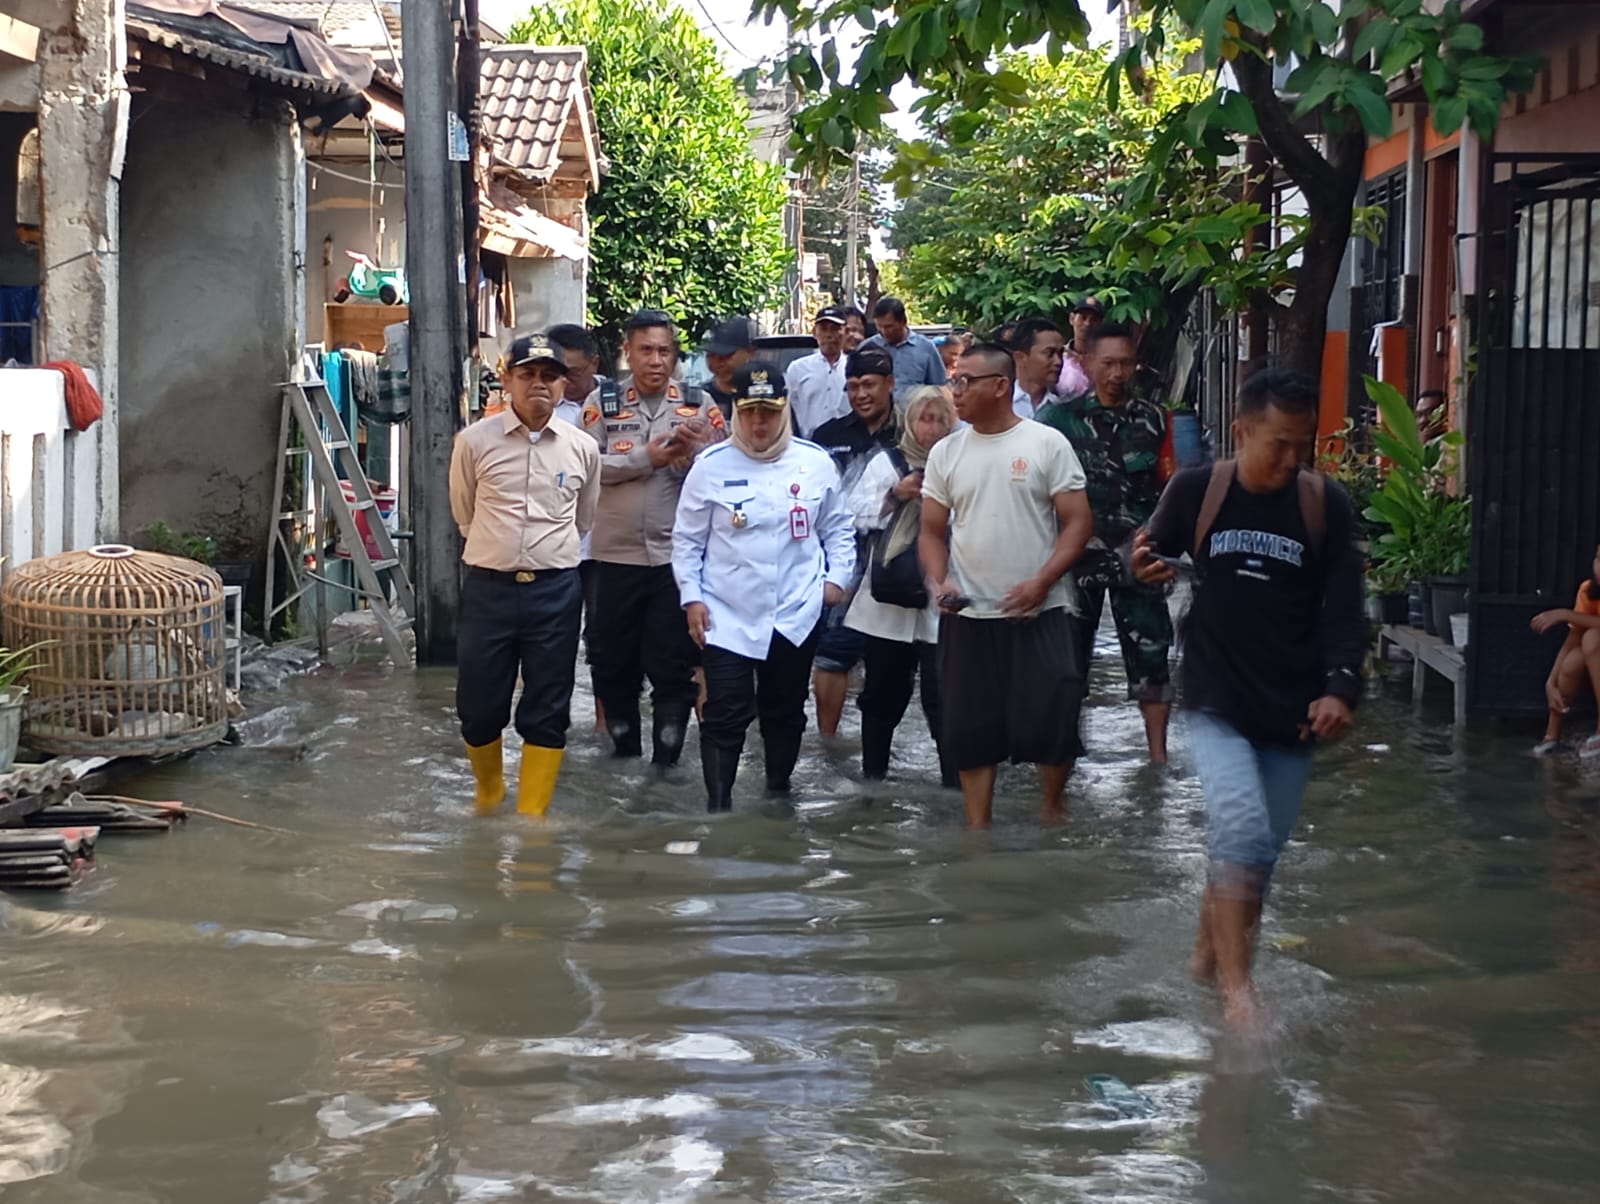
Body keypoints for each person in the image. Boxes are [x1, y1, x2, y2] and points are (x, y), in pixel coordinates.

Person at [1132, 367, 1364, 1029]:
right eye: (1278, 445)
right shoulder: (1198, 489)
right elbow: (1147, 548)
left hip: (1293, 705)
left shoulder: (1326, 505)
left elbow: (1346, 612)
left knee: (1257, 855)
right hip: (1215, 694)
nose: (1292, 460)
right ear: (1241, 432)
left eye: (1303, 446)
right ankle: (1240, 994)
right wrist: (1140, 562)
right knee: (1239, 826)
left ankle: (1206, 965)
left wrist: (1340, 688)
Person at [919, 343, 1094, 828]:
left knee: (1055, 716)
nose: (955, 391)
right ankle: (978, 830)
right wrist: (940, 580)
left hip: (1041, 609)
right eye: (953, 381)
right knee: (969, 727)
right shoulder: (947, 452)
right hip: (969, 612)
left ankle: (1052, 810)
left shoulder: (1045, 443)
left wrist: (1042, 581)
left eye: (964, 381)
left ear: (1000, 386)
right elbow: (931, 530)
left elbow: (1078, 522)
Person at [672, 361, 856, 810]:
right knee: (725, 712)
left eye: (769, 412)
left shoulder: (814, 463)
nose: (759, 422)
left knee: (785, 710)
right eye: (750, 411)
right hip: (727, 613)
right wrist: (691, 597)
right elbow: (686, 540)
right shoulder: (710, 467)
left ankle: (778, 794)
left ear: (784, 410)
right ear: (736, 410)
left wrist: (835, 582)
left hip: (796, 611)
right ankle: (719, 809)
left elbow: (839, 529)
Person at [450, 333, 601, 816]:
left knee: (549, 706)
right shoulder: (474, 442)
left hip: (555, 591)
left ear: (563, 385)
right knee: (478, 706)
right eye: (528, 374)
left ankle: (533, 817)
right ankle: (489, 795)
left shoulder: (582, 448)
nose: (539, 384)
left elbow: (584, 519)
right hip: (488, 589)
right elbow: (465, 514)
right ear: (508, 379)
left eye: (550, 375)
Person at [582, 309, 725, 766]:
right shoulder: (600, 402)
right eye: (646, 350)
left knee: (674, 666)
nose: (656, 360)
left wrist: (693, 457)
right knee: (610, 663)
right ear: (628, 352)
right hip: (613, 558)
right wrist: (645, 459)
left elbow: (726, 470)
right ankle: (623, 758)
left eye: (665, 350)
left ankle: (666, 770)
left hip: (673, 561)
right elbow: (586, 467)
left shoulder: (700, 404)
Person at [1039, 321, 1175, 763]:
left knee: (1152, 653)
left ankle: (1158, 758)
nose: (1118, 373)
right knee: (1066, 662)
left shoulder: (1154, 419)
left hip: (1140, 555)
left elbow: (1175, 487)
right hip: (1076, 556)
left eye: (1126, 363)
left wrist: (1173, 548)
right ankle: (1064, 751)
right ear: (1087, 363)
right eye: (1109, 363)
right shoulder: (1058, 421)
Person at [845, 386, 960, 786]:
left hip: (943, 599)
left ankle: (955, 785)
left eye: (939, 419)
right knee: (880, 699)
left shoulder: (963, 462)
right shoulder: (887, 462)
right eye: (923, 419)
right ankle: (872, 781)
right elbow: (852, 515)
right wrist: (895, 494)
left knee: (945, 699)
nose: (930, 429)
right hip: (887, 604)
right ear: (908, 422)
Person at [810, 347, 901, 736]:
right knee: (832, 653)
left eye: (869, 385)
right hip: (844, 559)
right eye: (852, 387)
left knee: (896, 661)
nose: (861, 394)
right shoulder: (827, 436)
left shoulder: (914, 430)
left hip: (902, 557)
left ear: (890, 384)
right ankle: (828, 743)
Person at [548, 322, 608, 731]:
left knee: (606, 639)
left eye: (574, 372)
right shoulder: (540, 411)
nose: (566, 382)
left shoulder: (619, 402)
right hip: (556, 545)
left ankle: (607, 725)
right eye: (558, 373)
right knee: (553, 639)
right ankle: (554, 723)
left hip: (607, 543)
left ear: (594, 364)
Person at [1531, 544, 1600, 756]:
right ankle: (1552, 735)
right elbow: (1573, 638)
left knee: (1591, 637)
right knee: (1571, 661)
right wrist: (1550, 682)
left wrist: (1566, 614)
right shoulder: (1588, 590)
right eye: (1598, 558)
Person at [787, 305, 851, 438]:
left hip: (847, 443)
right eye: (823, 329)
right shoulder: (798, 368)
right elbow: (788, 410)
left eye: (835, 329)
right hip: (809, 444)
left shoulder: (853, 366)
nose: (829, 335)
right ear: (814, 332)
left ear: (846, 332)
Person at [862, 296, 946, 394]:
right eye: (879, 327)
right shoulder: (868, 348)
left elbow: (938, 388)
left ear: (903, 322)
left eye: (889, 326)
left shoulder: (926, 348)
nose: (884, 332)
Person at [703, 316, 759, 419]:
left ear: (750, 352)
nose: (718, 363)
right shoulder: (701, 398)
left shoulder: (766, 395)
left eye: (726, 355)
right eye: (711, 355)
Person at [1010, 317, 1066, 419]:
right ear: (1020, 357)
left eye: (1060, 354)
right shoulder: (998, 406)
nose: (1058, 362)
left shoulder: (1063, 410)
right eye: (1050, 353)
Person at [1057, 295, 1103, 398]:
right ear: (1072, 319)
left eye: (1094, 319)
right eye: (1083, 317)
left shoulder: (1107, 360)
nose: (1087, 324)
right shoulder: (1057, 357)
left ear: (1101, 324)